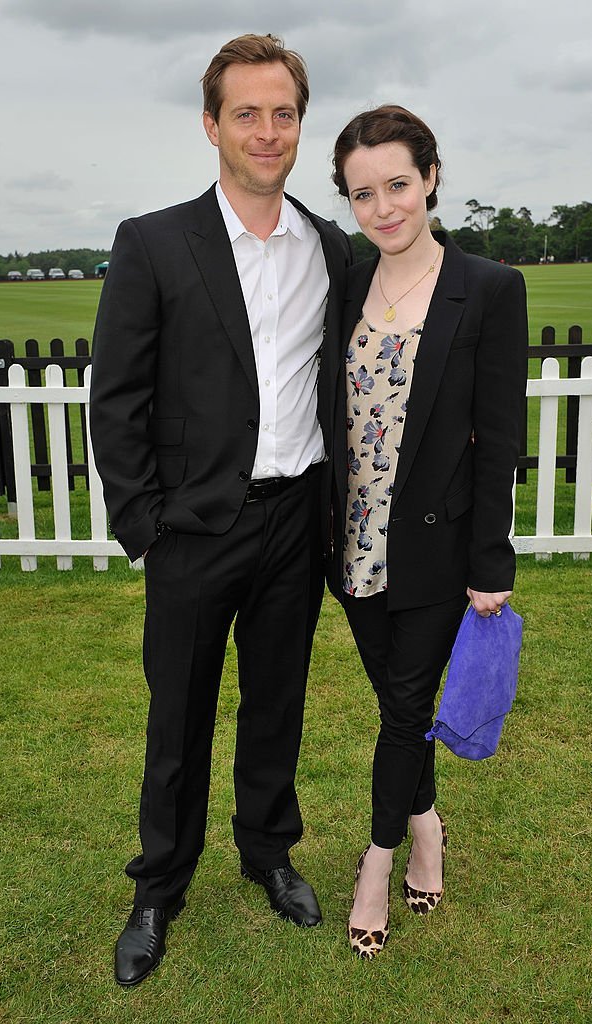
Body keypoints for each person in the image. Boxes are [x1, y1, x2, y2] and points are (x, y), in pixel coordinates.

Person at [90, 33, 351, 987]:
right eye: (247, 112)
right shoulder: (153, 242)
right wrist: (144, 529)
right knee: (181, 718)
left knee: (277, 703)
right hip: (193, 532)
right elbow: (115, 397)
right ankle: (159, 884)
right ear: (212, 125)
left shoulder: (329, 245)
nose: (267, 130)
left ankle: (268, 850)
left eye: (283, 112)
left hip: (296, 523)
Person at [327, 106, 528, 958]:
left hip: (437, 547)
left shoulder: (486, 286)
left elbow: (501, 437)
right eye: (363, 193)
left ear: (431, 178)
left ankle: (382, 860)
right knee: (396, 704)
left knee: (404, 711)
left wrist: (491, 559)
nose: (384, 207)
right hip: (349, 543)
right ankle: (430, 823)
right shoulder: (343, 281)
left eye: (398, 185)